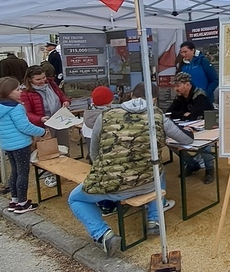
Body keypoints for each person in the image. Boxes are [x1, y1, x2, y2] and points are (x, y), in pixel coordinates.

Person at [68, 83, 193, 257]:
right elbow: (186, 140)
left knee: (75, 199)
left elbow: (94, 153)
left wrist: (109, 171)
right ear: (154, 99)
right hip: (147, 184)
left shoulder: (105, 116)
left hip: (110, 186)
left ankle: (102, 233)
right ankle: (154, 219)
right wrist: (188, 131)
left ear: (130, 95)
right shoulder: (157, 115)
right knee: (158, 168)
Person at [0, 76, 46, 214]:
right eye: (16, 89)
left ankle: (14, 200)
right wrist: (42, 131)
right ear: (8, 92)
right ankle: (22, 202)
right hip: (20, 144)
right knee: (22, 173)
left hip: (7, 144)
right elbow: (25, 127)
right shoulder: (15, 108)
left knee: (15, 171)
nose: (20, 91)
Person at [168, 72, 215, 184]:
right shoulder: (180, 97)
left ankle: (209, 169)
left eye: (178, 86)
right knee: (171, 143)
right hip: (188, 126)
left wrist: (183, 115)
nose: (176, 89)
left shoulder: (200, 96)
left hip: (207, 126)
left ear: (187, 85)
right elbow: (170, 112)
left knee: (205, 146)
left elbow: (195, 116)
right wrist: (184, 114)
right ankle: (192, 163)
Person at [20, 65, 71, 147]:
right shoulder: (25, 93)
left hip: (60, 121)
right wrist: (40, 119)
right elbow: (27, 113)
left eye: (43, 77)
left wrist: (66, 101)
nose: (42, 81)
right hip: (43, 126)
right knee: (48, 150)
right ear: (29, 79)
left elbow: (61, 96)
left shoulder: (51, 84)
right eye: (38, 79)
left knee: (64, 147)